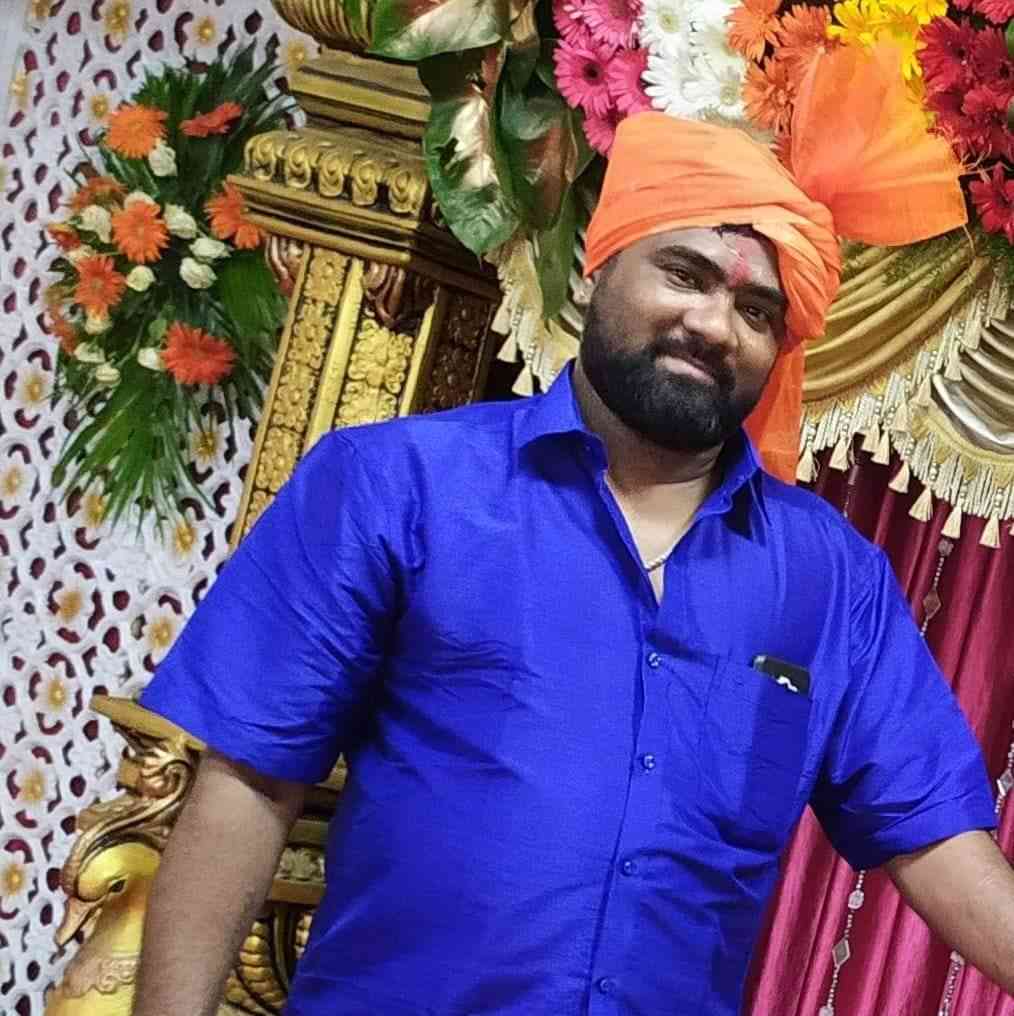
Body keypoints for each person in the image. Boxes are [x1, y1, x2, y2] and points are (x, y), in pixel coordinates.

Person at [131, 45, 1014, 1016]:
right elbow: (250, 785)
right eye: (685, 273)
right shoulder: (399, 484)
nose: (715, 324)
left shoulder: (830, 579)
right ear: (600, 266)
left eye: (758, 310)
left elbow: (936, 837)